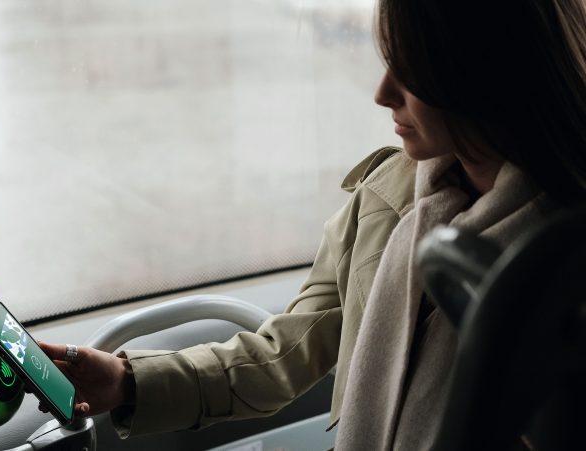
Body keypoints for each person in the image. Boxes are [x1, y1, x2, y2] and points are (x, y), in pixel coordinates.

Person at [40, 0, 586, 448]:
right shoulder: (387, 198)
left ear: (482, 75)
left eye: (412, 73)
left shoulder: (565, 254)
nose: (382, 94)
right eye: (388, 63)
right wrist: (128, 381)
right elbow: (283, 354)